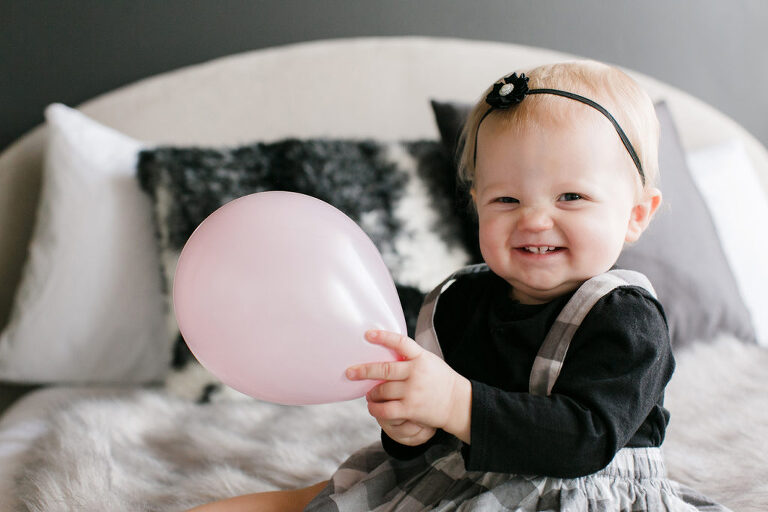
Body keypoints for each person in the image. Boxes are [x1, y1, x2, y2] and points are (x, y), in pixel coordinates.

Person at [187, 61, 729, 511]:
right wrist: (410, 430)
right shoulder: (459, 301)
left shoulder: (626, 318)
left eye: (571, 198)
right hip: (459, 478)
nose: (535, 219)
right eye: (506, 199)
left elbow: (586, 440)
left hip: (576, 494)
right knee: (320, 498)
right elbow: (434, 429)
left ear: (636, 214)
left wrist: (456, 402)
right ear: (477, 206)